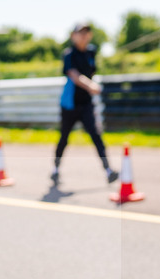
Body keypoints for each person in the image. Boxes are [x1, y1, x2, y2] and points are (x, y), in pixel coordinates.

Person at [51, 23, 118, 186]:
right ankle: (56, 169)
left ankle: (108, 170)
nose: (83, 36)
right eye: (80, 33)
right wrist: (91, 86)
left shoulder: (91, 52)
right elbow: (74, 75)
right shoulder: (69, 55)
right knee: (64, 137)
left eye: (86, 33)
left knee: (96, 135)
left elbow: (91, 71)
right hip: (70, 105)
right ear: (73, 36)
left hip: (86, 104)